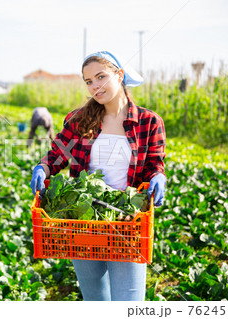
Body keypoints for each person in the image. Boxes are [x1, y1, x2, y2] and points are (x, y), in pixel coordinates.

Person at [30, 51, 167, 301]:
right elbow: (56, 155)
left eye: (101, 77)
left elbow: (154, 164)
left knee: (129, 301)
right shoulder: (79, 119)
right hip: (84, 219)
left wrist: (158, 176)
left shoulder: (149, 122)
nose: (95, 86)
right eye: (89, 81)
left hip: (127, 222)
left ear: (120, 75)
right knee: (95, 299)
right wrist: (43, 168)